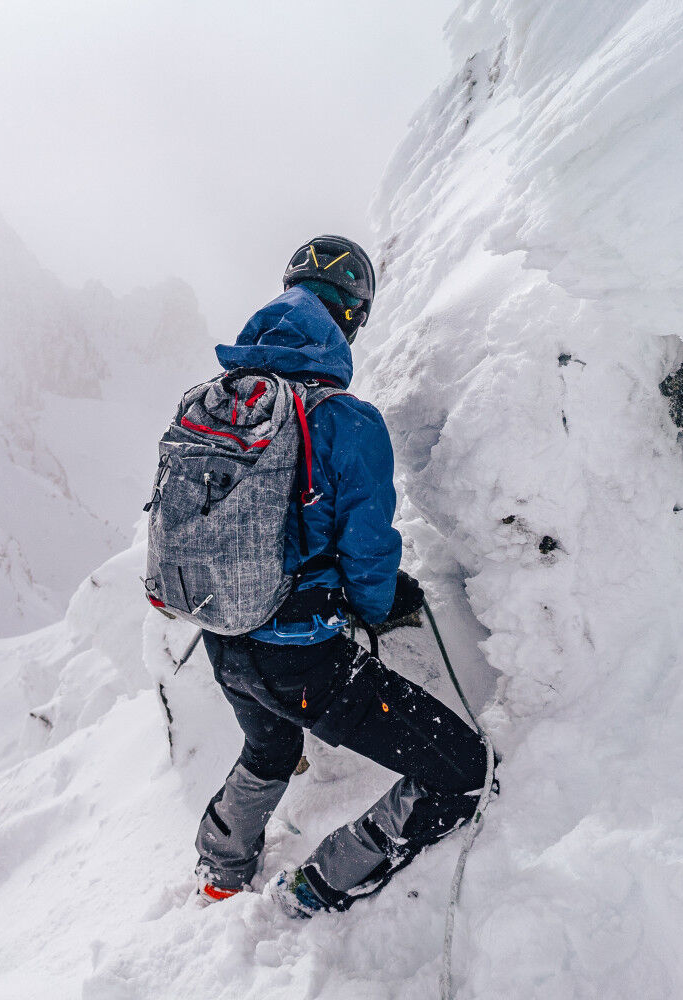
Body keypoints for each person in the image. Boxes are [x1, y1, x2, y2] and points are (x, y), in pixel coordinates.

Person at [192, 235, 492, 917]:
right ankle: (312, 889)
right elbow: (368, 552)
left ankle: (220, 867)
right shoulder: (344, 420)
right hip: (301, 662)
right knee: (461, 775)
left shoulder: (214, 402)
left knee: (269, 745)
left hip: (220, 635)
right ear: (349, 321)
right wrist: (381, 603)